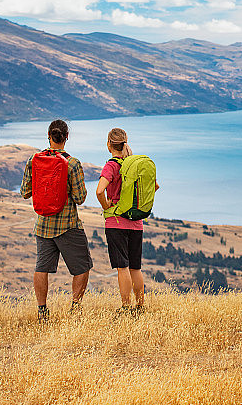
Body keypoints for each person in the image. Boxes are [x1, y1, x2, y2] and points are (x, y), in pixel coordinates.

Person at [21, 119, 93, 322]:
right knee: (82, 267)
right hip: (68, 225)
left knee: (41, 268)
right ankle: (75, 309)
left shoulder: (34, 160)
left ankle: (42, 311)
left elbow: (25, 192)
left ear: (48, 136)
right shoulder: (72, 164)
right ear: (67, 137)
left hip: (43, 225)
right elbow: (80, 197)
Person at [96, 127, 158, 314]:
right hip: (136, 222)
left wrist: (107, 206)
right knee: (135, 267)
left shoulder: (111, 166)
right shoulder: (135, 165)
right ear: (125, 143)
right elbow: (154, 186)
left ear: (109, 145)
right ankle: (140, 306)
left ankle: (125, 307)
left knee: (122, 267)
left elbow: (99, 191)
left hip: (116, 223)